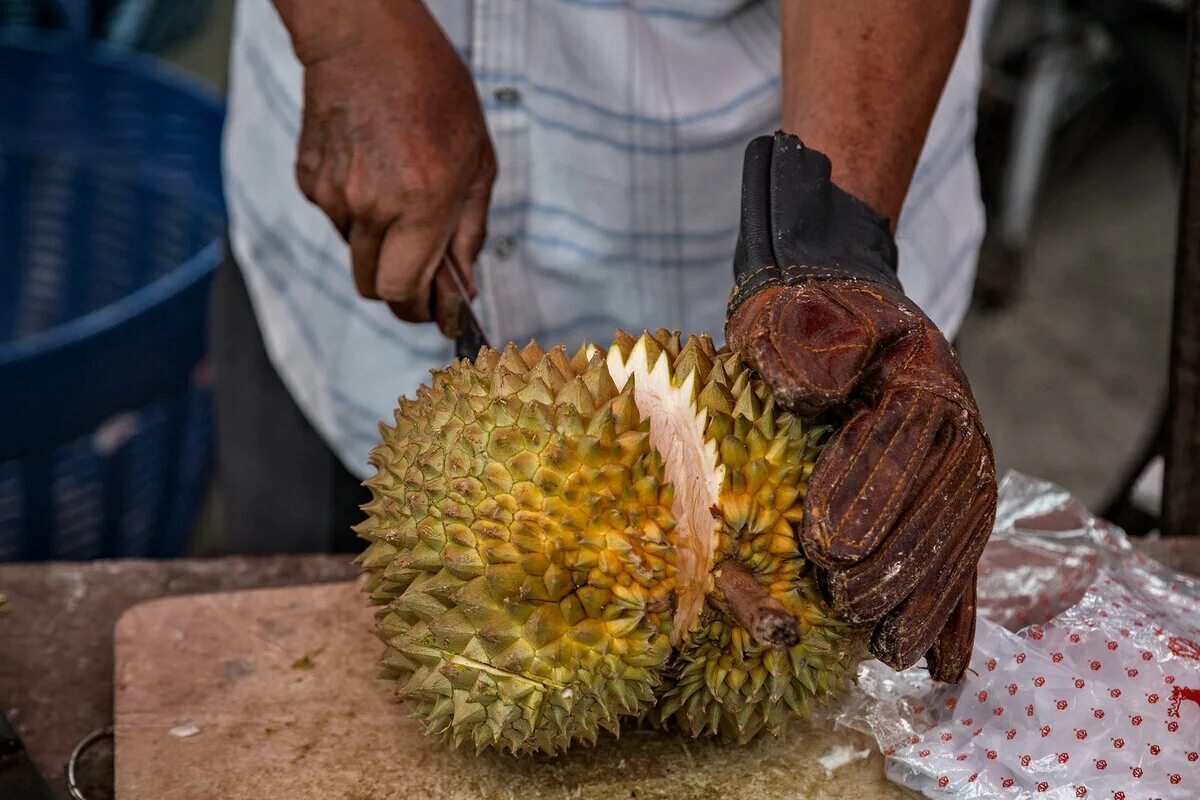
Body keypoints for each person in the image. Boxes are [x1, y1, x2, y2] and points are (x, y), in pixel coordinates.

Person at [214, 0, 997, 681]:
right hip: (341, 286)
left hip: (772, 249)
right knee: (282, 656)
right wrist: (345, 31)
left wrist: (835, 246)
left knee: (847, 568)